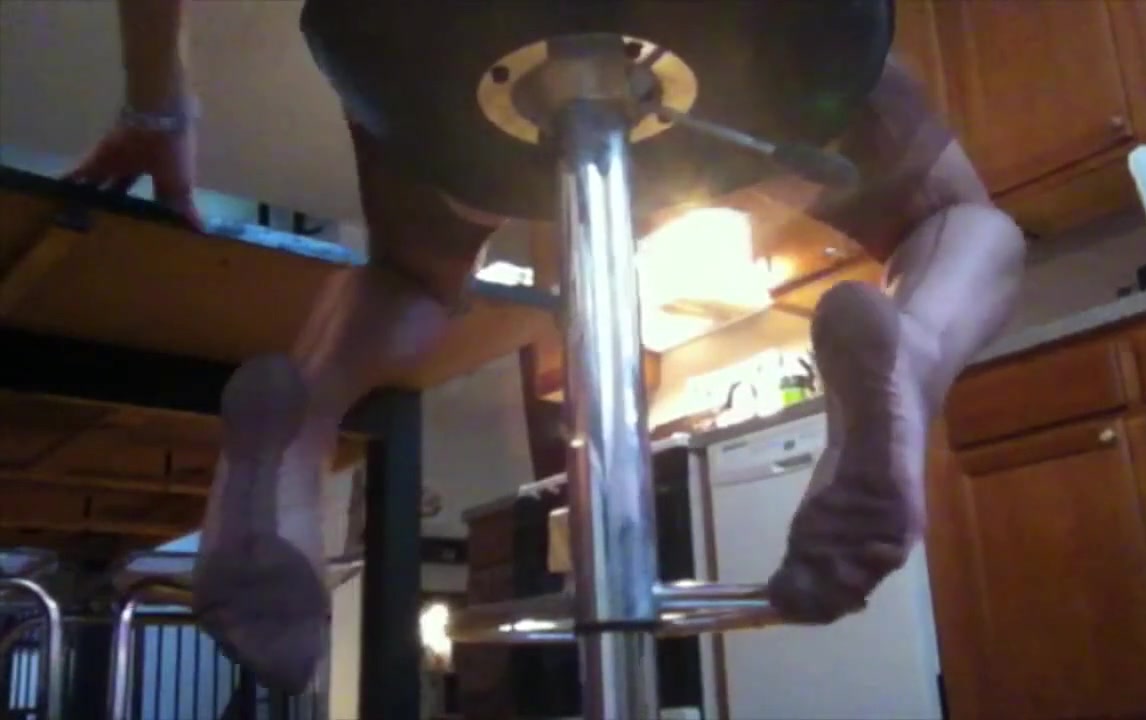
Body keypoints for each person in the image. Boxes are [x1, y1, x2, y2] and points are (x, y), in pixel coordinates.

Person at [67, 0, 1024, 692]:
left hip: (428, 35)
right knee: (948, 217)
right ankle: (910, 348)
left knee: (411, 278)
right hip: (747, 27)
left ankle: (298, 427)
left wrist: (157, 103)